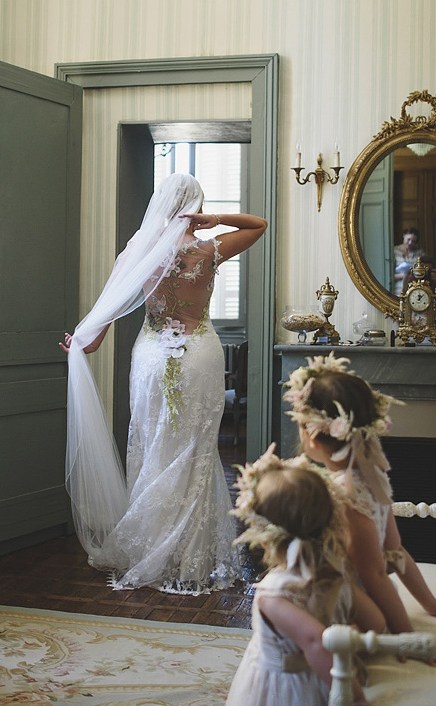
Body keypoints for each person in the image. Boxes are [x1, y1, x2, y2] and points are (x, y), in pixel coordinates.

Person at [62, 173, 266, 594]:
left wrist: (84, 343)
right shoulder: (209, 249)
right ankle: (192, 557)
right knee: (196, 451)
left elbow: (104, 315)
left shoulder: (136, 252)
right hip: (201, 355)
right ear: (195, 207)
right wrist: (216, 218)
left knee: (153, 444)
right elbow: (258, 225)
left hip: (153, 355)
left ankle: (150, 550)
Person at [287, 354, 436, 641]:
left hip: (348, 598)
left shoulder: (343, 494)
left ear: (312, 436)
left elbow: (375, 572)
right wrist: (430, 604)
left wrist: (407, 637)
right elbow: (396, 551)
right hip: (364, 592)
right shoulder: (373, 477)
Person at [226, 445, 384, 706]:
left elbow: (316, 643)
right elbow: (376, 623)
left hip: (288, 692)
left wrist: (355, 699)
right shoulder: (337, 577)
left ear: (265, 538)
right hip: (325, 678)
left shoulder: (274, 595)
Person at [392, 227, 423, 294]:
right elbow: (388, 274)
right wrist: (402, 275)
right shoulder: (394, 251)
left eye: (413, 241)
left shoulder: (419, 253)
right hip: (398, 289)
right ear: (403, 236)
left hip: (414, 289)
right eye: (408, 239)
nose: (410, 243)